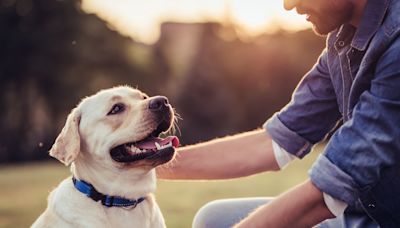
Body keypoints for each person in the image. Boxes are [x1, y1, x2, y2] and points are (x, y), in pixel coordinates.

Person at [157, 0, 400, 227]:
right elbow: (277, 140)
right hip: (362, 216)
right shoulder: (342, 41)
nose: (288, 5)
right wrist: (150, 164)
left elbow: (335, 185)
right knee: (214, 218)